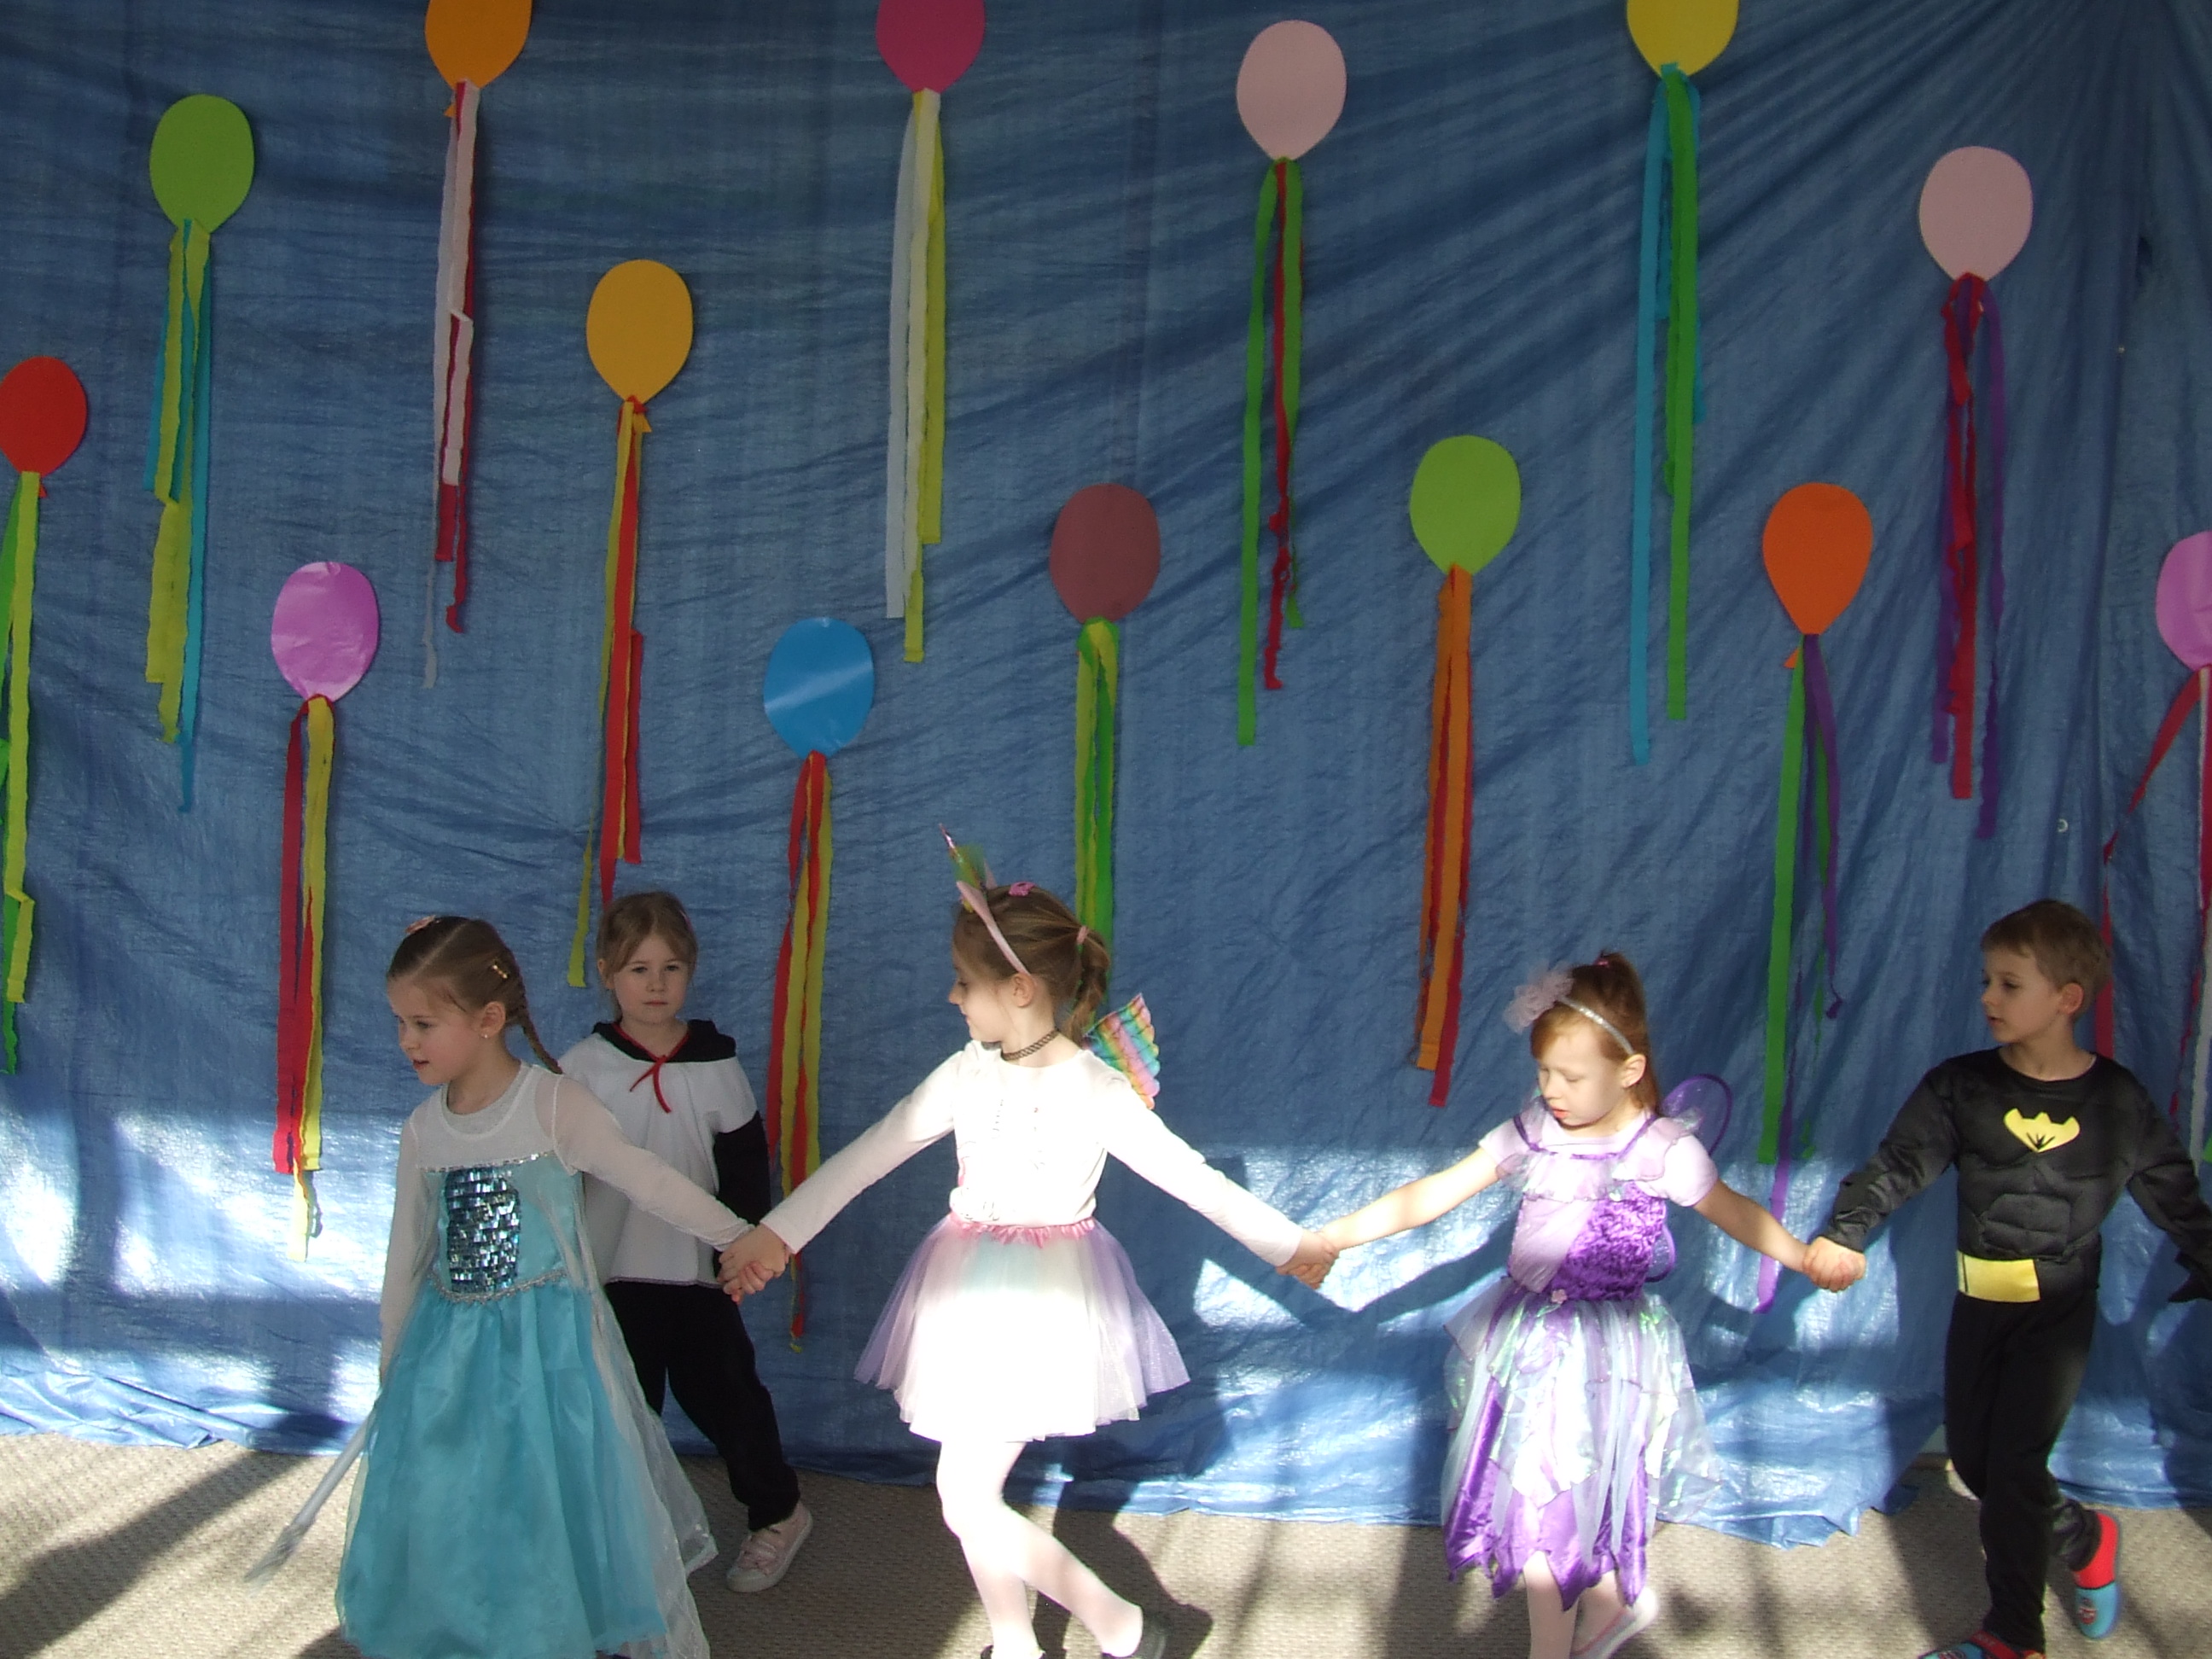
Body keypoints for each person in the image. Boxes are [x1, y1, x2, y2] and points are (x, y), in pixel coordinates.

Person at [716, 874, 1337, 1659]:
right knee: (970, 1489)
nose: (951, 997)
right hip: (965, 1298)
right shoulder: (965, 1072)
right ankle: (1018, 1643)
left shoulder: (1097, 1088)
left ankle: (1123, 1627)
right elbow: (870, 1154)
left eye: (963, 982)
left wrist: (1288, 1245)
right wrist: (778, 1234)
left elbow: (1194, 1180)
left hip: (1046, 1310)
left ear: (1018, 989)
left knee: (964, 1496)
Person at [1319, 954, 1813, 1659]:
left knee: (1561, 1497)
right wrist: (1334, 1237)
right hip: (1527, 1341)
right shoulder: (1535, 1130)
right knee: (1541, 1495)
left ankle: (1570, 1634)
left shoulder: (1660, 1149)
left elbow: (1735, 1212)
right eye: (1544, 1072)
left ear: (1630, 1070)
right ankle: (1604, 1612)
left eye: (1572, 1077)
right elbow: (1436, 1192)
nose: (1552, 1090)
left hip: (1602, 1355)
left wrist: (1804, 1257)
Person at [1802, 900, 2212, 1659]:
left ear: (2067, 999)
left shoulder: (2116, 1102)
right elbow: (1897, 1166)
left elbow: (2175, 1194)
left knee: (2017, 1463)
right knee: (1979, 1465)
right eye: (1987, 981)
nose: (1989, 997)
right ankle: (2084, 1535)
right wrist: (1843, 1232)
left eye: (2010, 984)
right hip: (1979, 1306)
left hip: (2058, 1314)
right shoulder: (1960, 1088)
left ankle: (2014, 1637)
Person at [337, 916, 749, 1659]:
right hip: (450, 1349)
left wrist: (738, 1235)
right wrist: (393, 1361)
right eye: (400, 1022)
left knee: (544, 1490)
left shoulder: (553, 1105)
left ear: (488, 1019)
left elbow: (648, 1179)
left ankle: (546, 1628)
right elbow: (408, 1254)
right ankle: (473, 1628)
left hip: (546, 1346)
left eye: (424, 1024)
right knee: (458, 1491)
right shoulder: (424, 1130)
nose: (406, 1041)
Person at [562, 890, 811, 1594]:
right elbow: (562, 1175)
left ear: (691, 972)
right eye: (638, 969)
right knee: (623, 1410)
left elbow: (744, 1169)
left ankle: (779, 1513)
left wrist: (744, 1253)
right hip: (613, 1273)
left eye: (671, 968)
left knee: (729, 1399)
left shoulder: (717, 1067)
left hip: (699, 1272)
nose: (656, 984)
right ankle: (628, 1540)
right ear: (607, 972)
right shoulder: (582, 1068)